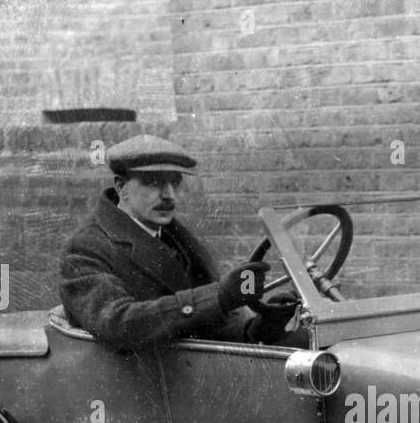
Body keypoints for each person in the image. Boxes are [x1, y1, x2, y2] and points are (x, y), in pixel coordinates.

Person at [59, 134, 303, 350]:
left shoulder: (176, 241)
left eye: (174, 182)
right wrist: (218, 295)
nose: (169, 195)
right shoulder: (86, 248)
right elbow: (118, 324)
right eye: (153, 182)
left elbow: (204, 325)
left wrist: (258, 326)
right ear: (121, 188)